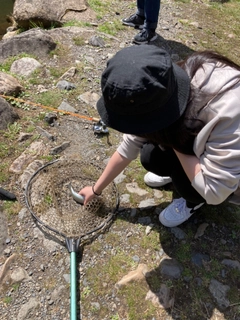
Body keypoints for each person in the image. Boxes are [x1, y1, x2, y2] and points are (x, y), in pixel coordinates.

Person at [79, 45, 240, 228]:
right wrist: (96, 189)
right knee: (150, 156)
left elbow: (214, 192)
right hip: (189, 140)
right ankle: (178, 175)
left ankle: (192, 201)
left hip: (225, 177)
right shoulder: (160, 86)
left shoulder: (229, 112)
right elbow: (128, 146)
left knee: (193, 186)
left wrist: (173, 139)